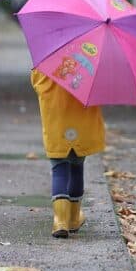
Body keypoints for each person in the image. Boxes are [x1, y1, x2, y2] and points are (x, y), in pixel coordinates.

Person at [31, 69, 106, 238]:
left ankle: (60, 221)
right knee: (77, 168)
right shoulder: (90, 67)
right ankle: (73, 219)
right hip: (81, 126)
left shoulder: (46, 66)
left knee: (59, 170)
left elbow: (36, 83)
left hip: (56, 126)